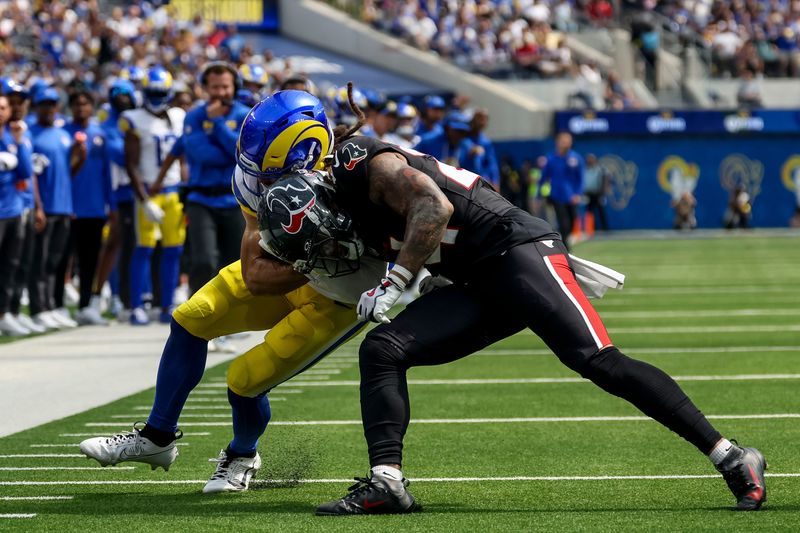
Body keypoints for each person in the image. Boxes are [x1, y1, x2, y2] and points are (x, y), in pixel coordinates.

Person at [258, 122, 767, 515]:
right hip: (476, 278)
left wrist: (395, 280)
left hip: (516, 250)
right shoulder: (342, 210)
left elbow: (432, 207)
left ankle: (731, 455)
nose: (325, 252)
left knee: (596, 361)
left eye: (319, 240)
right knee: (383, 349)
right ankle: (388, 482)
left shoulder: (359, 165)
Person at [79, 89, 386, 494]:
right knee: (192, 317)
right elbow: (255, 274)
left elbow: (417, 218)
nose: (261, 179)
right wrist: (315, 254)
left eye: (269, 172)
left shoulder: (361, 175)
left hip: (341, 295)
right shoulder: (253, 177)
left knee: (245, 379)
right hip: (285, 271)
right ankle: (156, 438)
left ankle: (241, 455)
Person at [120, 67, 186, 325]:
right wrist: (144, 199)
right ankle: (137, 305)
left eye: (160, 92)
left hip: (174, 191)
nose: (157, 96)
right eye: (152, 92)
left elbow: (182, 156)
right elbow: (131, 164)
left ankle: (167, 303)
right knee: (143, 249)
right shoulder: (134, 119)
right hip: (149, 191)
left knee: (174, 250)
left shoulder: (179, 116)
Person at [181, 62, 250, 300]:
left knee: (235, 263)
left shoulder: (245, 115)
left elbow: (242, 152)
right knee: (203, 260)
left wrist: (217, 125)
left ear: (234, 87)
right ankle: (196, 314)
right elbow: (202, 155)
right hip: (201, 199)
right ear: (205, 88)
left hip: (234, 200)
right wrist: (228, 145)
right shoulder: (193, 117)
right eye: (215, 87)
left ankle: (233, 319)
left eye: (225, 87)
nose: (220, 93)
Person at [29, 87, 85, 330]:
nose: (49, 108)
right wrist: (37, 206)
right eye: (44, 104)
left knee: (56, 261)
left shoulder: (63, 135)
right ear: (37, 107)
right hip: (45, 207)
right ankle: (39, 308)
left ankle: (51, 305)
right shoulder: (32, 135)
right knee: (39, 261)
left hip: (63, 206)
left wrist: (79, 157)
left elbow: (67, 173)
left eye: (52, 104)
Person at [65, 89, 114, 325]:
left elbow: (106, 174)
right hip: (69, 207)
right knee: (63, 258)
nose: (81, 108)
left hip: (94, 209)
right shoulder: (64, 133)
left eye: (85, 104)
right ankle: (56, 305)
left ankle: (85, 305)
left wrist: (110, 205)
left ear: (92, 107)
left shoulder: (99, 135)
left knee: (90, 260)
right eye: (77, 104)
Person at [2, 79, 45, 334]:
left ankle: (11, 311)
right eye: (12, 102)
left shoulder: (21, 132)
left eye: (21, 102)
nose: (17, 107)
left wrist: (38, 205)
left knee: (17, 262)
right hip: (8, 205)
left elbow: (28, 174)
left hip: (21, 204)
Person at [96, 79, 137, 317]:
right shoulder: (109, 125)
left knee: (135, 246)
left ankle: (130, 296)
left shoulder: (133, 121)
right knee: (114, 244)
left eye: (126, 94)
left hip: (136, 192)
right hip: (116, 193)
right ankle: (112, 295)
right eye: (117, 94)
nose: (122, 98)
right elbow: (121, 156)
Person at [0, 94, 34, 336]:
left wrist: (20, 142)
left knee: (11, 264)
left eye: (4, 107)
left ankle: (5, 314)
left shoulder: (12, 136)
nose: (1, 111)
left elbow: (25, 172)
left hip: (13, 209)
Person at [540, 131, 584, 249]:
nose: (566, 143)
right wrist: (539, 195)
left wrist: (578, 194)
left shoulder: (576, 158)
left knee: (572, 220)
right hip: (557, 196)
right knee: (563, 222)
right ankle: (565, 247)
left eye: (568, 141)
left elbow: (580, 178)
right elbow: (544, 177)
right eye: (564, 141)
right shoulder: (551, 158)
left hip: (571, 196)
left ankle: (564, 241)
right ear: (558, 142)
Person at [461, 108, 499, 190]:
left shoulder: (486, 142)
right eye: (479, 117)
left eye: (485, 118)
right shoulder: (463, 139)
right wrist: (471, 154)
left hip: (482, 185)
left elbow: (492, 165)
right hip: (465, 183)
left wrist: (495, 182)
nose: (482, 121)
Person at [583, 153, 609, 232]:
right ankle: (591, 229)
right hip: (588, 194)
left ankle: (605, 229)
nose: (590, 161)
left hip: (598, 194)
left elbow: (605, 181)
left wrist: (603, 193)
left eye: (592, 159)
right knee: (589, 212)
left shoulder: (600, 169)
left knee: (601, 212)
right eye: (589, 159)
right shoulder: (584, 169)